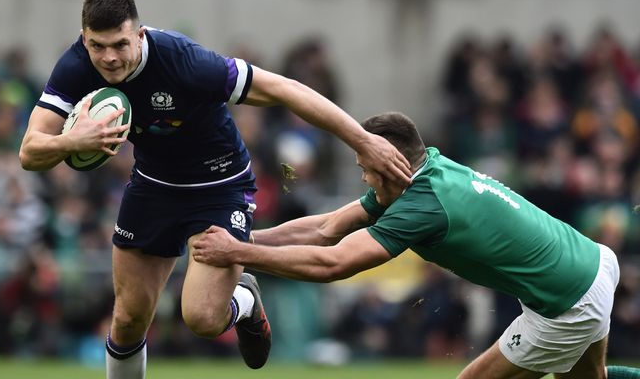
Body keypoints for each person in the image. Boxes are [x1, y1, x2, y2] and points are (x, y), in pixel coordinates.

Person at [18, 0, 411, 378]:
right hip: (153, 186)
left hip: (219, 186)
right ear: (84, 38)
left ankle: (243, 301)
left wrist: (363, 140)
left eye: (120, 44)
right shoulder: (75, 66)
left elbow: (285, 89)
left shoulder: (185, 62)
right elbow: (30, 152)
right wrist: (73, 141)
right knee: (127, 320)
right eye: (97, 46)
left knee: (203, 318)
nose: (109, 57)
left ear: (139, 35)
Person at [192, 111, 640, 379]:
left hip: (566, 303)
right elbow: (328, 227)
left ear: (391, 162)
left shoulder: (420, 205)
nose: (363, 176)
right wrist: (244, 237)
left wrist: (239, 255)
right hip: (592, 262)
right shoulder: (424, 173)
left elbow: (334, 264)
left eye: (365, 165)